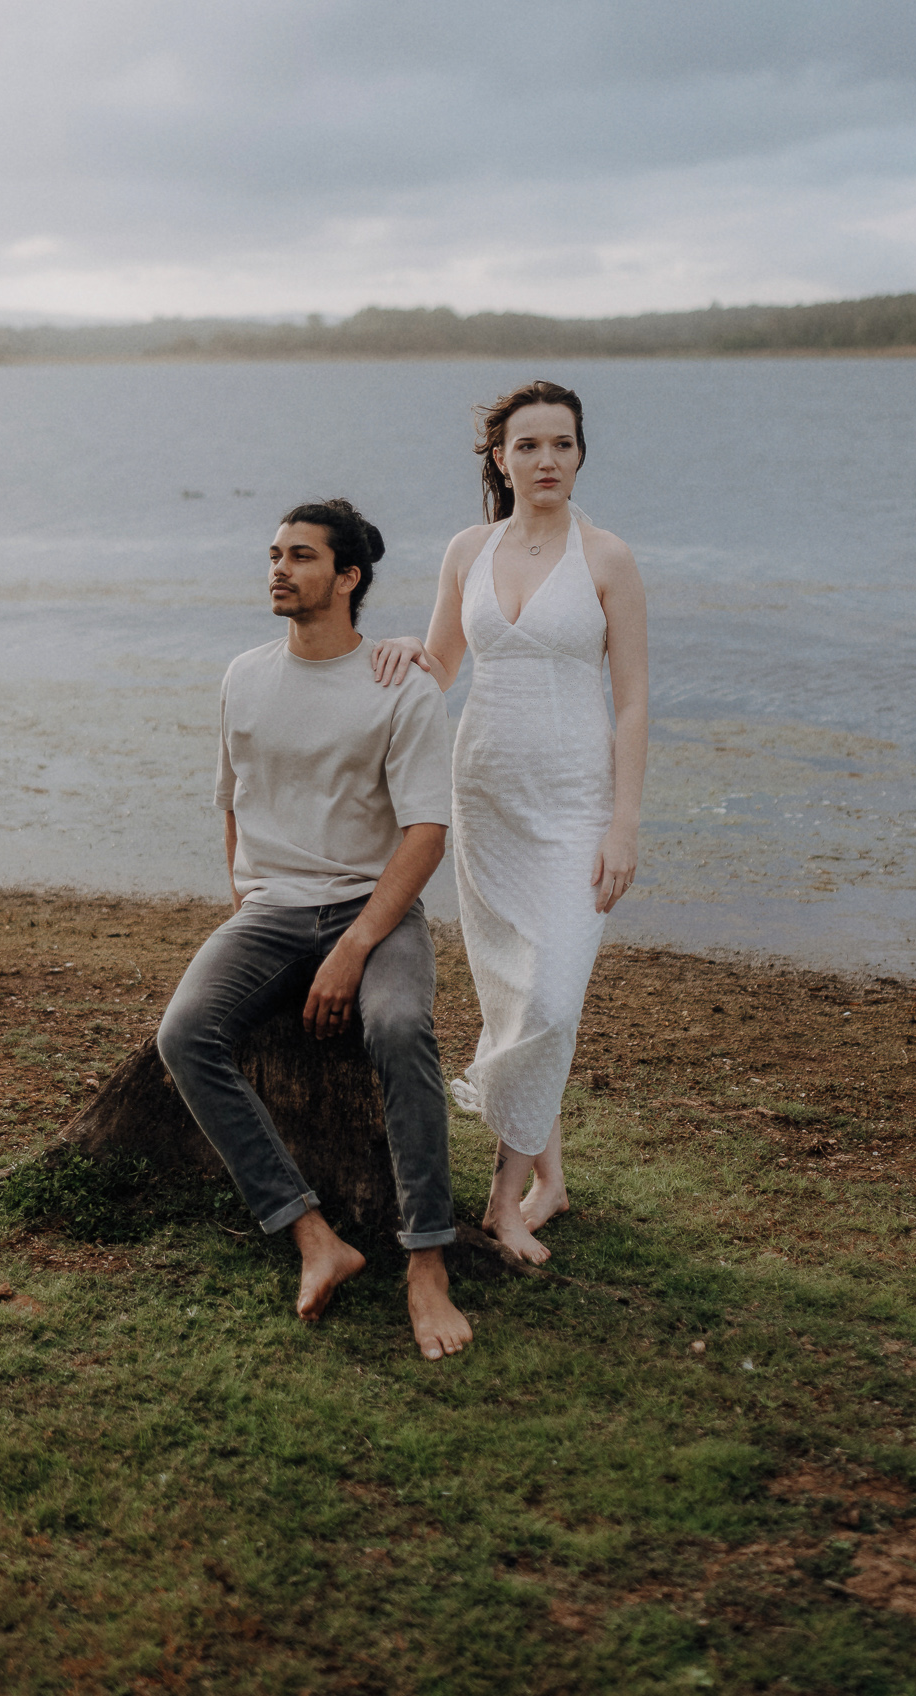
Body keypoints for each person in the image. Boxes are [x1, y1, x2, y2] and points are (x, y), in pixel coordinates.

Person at [155, 498, 473, 1362]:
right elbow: (233, 807)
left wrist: (354, 945)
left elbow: (426, 833)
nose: (277, 569)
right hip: (270, 913)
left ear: (347, 577)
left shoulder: (400, 684)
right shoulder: (243, 675)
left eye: (299, 556)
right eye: (273, 554)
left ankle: (427, 1261)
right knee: (184, 1035)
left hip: (375, 910)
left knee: (399, 1026)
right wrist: (249, 909)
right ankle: (313, 1238)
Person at [370, 383, 648, 1264]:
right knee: (512, 995)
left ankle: (500, 1204)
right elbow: (443, 665)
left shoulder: (607, 558)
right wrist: (402, 658)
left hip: (575, 805)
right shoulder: (467, 550)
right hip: (483, 796)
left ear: (579, 453)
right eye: (528, 447)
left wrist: (624, 827)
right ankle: (549, 1179)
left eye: (562, 444)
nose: (547, 461)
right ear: (500, 459)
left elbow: (635, 703)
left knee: (551, 1000)